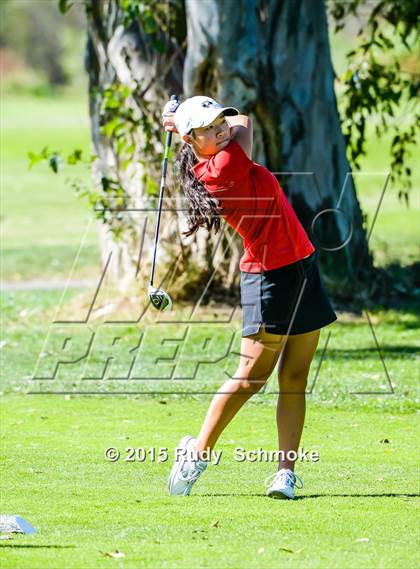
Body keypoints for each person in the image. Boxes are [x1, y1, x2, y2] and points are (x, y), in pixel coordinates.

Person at [162, 96, 337, 499]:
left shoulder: (221, 154)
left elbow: (236, 121)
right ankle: (197, 453)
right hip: (268, 278)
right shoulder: (222, 166)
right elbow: (245, 121)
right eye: (207, 128)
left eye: (218, 121)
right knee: (250, 379)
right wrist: (179, 122)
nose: (220, 129)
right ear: (192, 141)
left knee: (294, 380)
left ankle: (285, 474)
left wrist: (178, 122)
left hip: (302, 266)